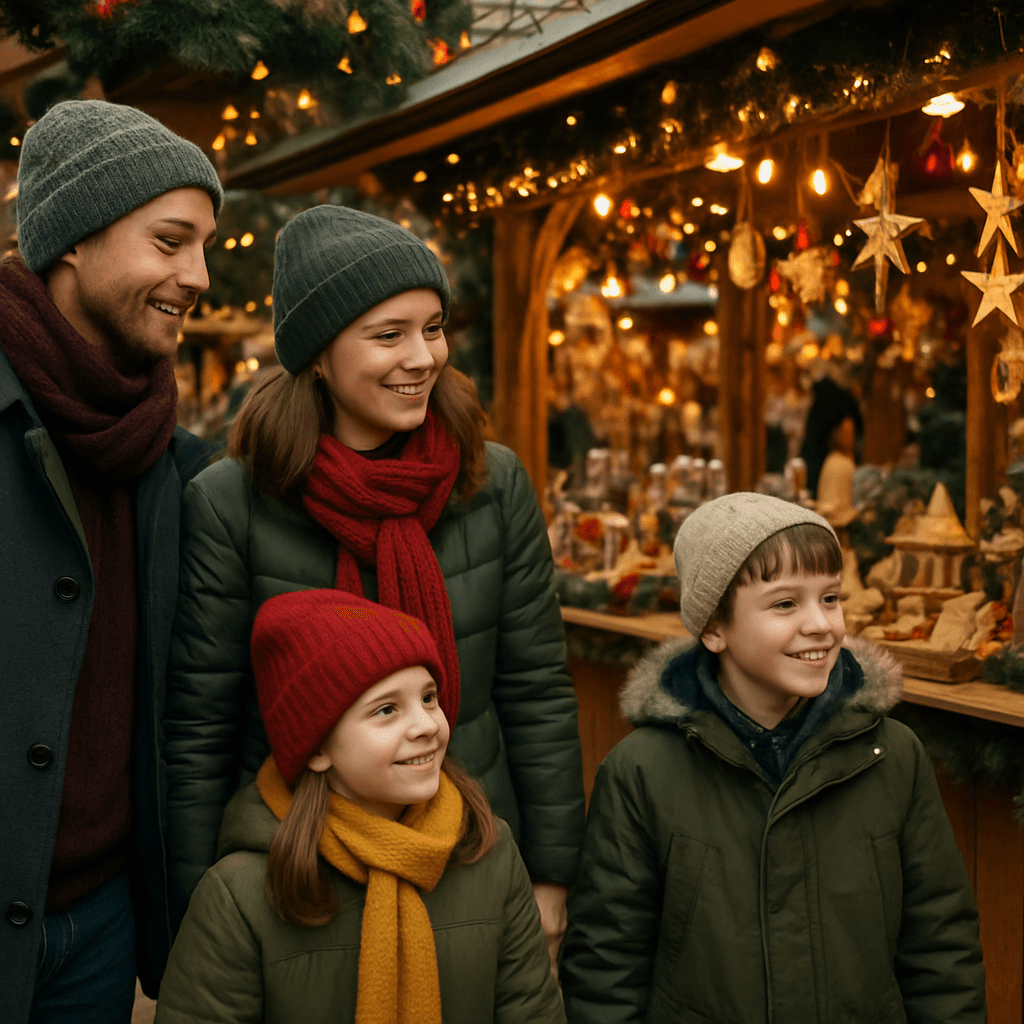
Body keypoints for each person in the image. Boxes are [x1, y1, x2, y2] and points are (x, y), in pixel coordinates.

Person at [165, 204, 585, 963]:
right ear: (318, 356)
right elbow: (201, 723)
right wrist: (200, 906)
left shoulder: (490, 481)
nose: (422, 357)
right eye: (388, 335)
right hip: (298, 871)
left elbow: (536, 688)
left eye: (432, 328)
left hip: (471, 848)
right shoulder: (234, 501)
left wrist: (552, 874)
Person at [560, 493, 986, 1024]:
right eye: (785, 604)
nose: (821, 625)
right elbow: (607, 968)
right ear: (715, 628)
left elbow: (940, 945)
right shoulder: (643, 772)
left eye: (830, 598)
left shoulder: (893, 756)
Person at [0, 99, 222, 1024]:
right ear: (74, 242)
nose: (198, 276)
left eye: (208, 247)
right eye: (171, 241)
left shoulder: (172, 460)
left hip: (102, 931)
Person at [157, 589, 566, 1023]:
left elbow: (533, 1012)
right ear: (316, 748)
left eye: (429, 697)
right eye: (387, 709)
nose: (427, 724)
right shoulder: (240, 893)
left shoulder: (490, 853)